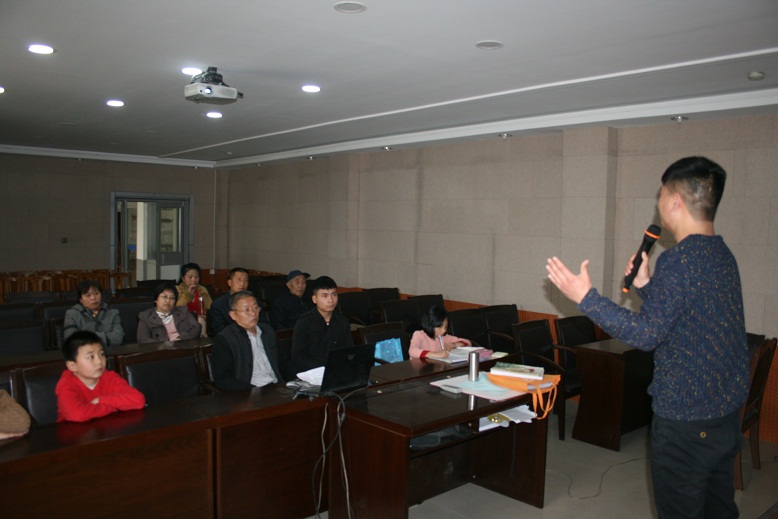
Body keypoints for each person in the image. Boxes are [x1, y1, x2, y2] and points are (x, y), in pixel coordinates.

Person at [545, 156, 749, 519]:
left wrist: (586, 298)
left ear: (676, 200)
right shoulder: (722, 255)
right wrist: (646, 285)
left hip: (685, 423)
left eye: (662, 194)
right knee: (719, 510)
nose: (659, 202)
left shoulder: (680, 260)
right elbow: (686, 320)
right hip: (723, 418)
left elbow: (646, 335)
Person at [56, 331, 146, 423]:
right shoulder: (66, 384)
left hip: (107, 428)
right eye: (91, 357)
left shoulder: (109, 377)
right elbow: (77, 415)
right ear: (72, 366)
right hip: (75, 431)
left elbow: (139, 400)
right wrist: (114, 407)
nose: (99, 361)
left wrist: (100, 400)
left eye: (101, 354)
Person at [211, 291, 283, 392]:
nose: (253, 313)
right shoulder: (225, 339)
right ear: (233, 315)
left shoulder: (267, 331)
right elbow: (223, 379)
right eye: (246, 310)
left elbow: (283, 362)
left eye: (255, 308)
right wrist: (251, 391)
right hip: (249, 392)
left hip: (277, 387)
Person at [290, 276, 353, 375]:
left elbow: (349, 350)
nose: (331, 300)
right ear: (314, 299)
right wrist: (324, 367)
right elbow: (298, 357)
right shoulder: (304, 322)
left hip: (338, 370)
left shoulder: (342, 321)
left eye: (334, 295)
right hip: (313, 372)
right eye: (325, 296)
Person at [63, 280, 124, 346]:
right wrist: (104, 338)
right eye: (88, 295)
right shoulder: (72, 314)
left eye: (96, 293)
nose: (93, 298)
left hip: (109, 351)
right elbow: (71, 339)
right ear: (80, 299)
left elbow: (118, 338)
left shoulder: (113, 313)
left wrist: (86, 337)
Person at [136, 282, 202, 343]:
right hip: (161, 350)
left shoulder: (182, 311)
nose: (168, 300)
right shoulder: (145, 316)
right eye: (164, 297)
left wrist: (180, 339)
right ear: (156, 299)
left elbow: (196, 327)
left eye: (172, 298)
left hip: (184, 346)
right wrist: (167, 343)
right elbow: (143, 339)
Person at [210, 267, 250, 335]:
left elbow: (262, 323)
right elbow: (219, 328)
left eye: (245, 281)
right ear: (230, 282)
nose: (242, 284)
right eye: (239, 280)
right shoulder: (218, 304)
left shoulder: (253, 301)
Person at [176, 263, 212, 334]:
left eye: (196, 277)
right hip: (182, 322)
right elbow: (176, 308)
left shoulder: (202, 290)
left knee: (201, 320)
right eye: (190, 277)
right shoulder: (177, 290)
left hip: (201, 322)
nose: (193, 280)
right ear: (183, 278)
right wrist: (188, 295)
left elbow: (210, 307)